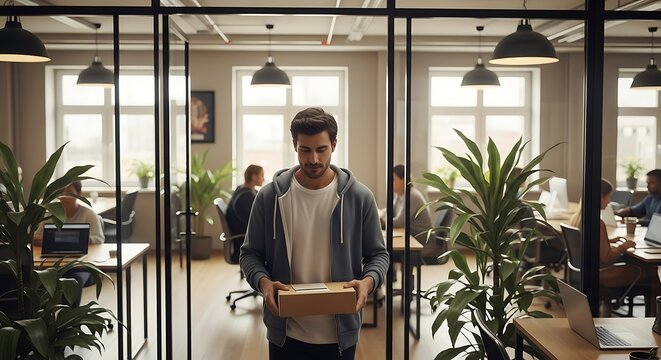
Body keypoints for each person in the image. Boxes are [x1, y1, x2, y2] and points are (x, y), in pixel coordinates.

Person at [239, 107, 389, 360]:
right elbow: (250, 254)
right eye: (305, 150)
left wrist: (367, 282)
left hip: (340, 333)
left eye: (321, 150)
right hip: (284, 330)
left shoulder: (360, 197)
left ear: (334, 144)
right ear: (294, 146)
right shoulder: (269, 197)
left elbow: (378, 255)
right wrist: (264, 284)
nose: (314, 160)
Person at [570, 178, 661, 314]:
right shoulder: (597, 222)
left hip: (586, 271)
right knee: (652, 273)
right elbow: (607, 258)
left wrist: (609, 241)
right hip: (601, 274)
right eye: (609, 197)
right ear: (600, 197)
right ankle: (653, 320)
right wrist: (624, 246)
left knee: (637, 265)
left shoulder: (579, 217)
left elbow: (592, 244)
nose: (609, 201)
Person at [33, 180, 104, 245]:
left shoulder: (88, 214)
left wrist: (63, 239)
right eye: (61, 192)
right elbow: (36, 237)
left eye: (69, 192)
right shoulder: (52, 214)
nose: (64, 196)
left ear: (79, 194)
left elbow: (99, 239)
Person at [381, 164, 432, 244]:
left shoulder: (411, 195)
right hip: (410, 236)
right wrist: (381, 214)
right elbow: (391, 212)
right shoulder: (399, 194)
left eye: (393, 179)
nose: (389, 182)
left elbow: (400, 222)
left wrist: (381, 221)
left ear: (403, 180)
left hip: (419, 241)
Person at [226, 164, 264, 236]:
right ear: (254, 177)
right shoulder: (245, 196)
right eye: (262, 175)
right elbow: (252, 221)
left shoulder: (241, 189)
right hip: (243, 236)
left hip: (242, 232)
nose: (263, 179)